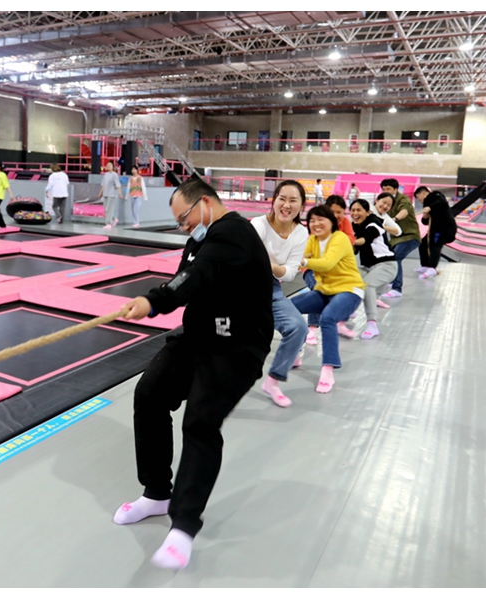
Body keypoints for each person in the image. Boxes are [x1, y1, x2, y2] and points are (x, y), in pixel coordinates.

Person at [113, 178, 273, 571]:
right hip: (198, 338)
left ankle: (183, 526)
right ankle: (157, 492)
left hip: (237, 347)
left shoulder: (234, 233)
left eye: (184, 218)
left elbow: (194, 277)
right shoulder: (198, 240)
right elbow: (188, 281)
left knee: (201, 421)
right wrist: (159, 298)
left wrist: (153, 300)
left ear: (204, 203)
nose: (184, 226)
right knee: (149, 394)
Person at [249, 180, 309, 407]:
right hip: (241, 284)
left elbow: (291, 274)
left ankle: (273, 380)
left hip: (269, 287)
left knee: (298, 327)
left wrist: (267, 264)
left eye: (293, 200)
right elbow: (248, 258)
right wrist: (275, 267)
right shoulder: (259, 225)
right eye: (282, 199)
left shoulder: (301, 233)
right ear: (274, 201)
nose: (286, 205)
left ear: (301, 205)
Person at [292, 206, 365, 394]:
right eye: (312, 220)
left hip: (349, 290)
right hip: (325, 291)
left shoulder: (339, 238)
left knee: (328, 318)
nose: (316, 224)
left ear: (332, 222)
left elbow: (327, 263)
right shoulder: (313, 240)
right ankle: (294, 352)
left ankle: (328, 370)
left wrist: (303, 262)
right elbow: (299, 257)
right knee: (289, 309)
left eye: (320, 219)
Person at [347, 199, 398, 339]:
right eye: (353, 210)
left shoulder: (374, 223)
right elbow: (355, 249)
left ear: (368, 212)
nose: (355, 213)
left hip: (387, 265)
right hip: (368, 267)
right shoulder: (355, 226)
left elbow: (365, 239)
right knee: (347, 280)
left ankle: (372, 324)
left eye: (359, 210)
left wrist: (348, 241)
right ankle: (349, 309)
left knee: (367, 285)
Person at [381, 178, 419, 298]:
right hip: (396, 239)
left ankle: (397, 288)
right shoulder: (385, 202)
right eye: (384, 189)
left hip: (409, 236)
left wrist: (394, 219)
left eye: (388, 189)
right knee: (388, 258)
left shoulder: (403, 199)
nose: (386, 191)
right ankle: (392, 281)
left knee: (395, 258)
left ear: (396, 189)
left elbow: (404, 211)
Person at [416, 190, 456, 280]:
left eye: (418, 198)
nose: (419, 200)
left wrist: (430, 208)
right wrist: (425, 217)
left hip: (444, 228)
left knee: (435, 245)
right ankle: (425, 265)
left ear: (423, 193)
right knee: (423, 244)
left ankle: (432, 267)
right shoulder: (427, 204)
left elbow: (441, 202)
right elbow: (425, 222)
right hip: (434, 229)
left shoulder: (436, 196)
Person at [98, 161, 122, 229]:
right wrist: (100, 193)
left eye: (110, 165)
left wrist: (120, 193)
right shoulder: (105, 175)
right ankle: (114, 219)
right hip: (105, 194)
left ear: (112, 166)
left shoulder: (114, 175)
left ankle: (109, 223)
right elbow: (103, 185)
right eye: (107, 165)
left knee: (109, 209)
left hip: (111, 194)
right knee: (106, 209)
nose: (108, 166)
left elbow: (118, 185)